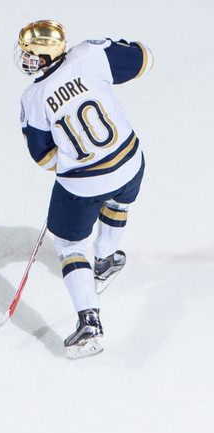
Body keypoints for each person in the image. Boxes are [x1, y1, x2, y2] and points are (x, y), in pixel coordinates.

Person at [15, 20, 153, 359]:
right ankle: (106, 260)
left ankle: (89, 322)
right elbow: (143, 59)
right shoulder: (90, 54)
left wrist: (71, 168)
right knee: (118, 197)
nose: (25, 58)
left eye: (31, 54)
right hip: (131, 160)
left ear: (45, 57)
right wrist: (109, 46)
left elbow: (43, 156)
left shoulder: (33, 97)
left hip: (82, 182)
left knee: (68, 243)